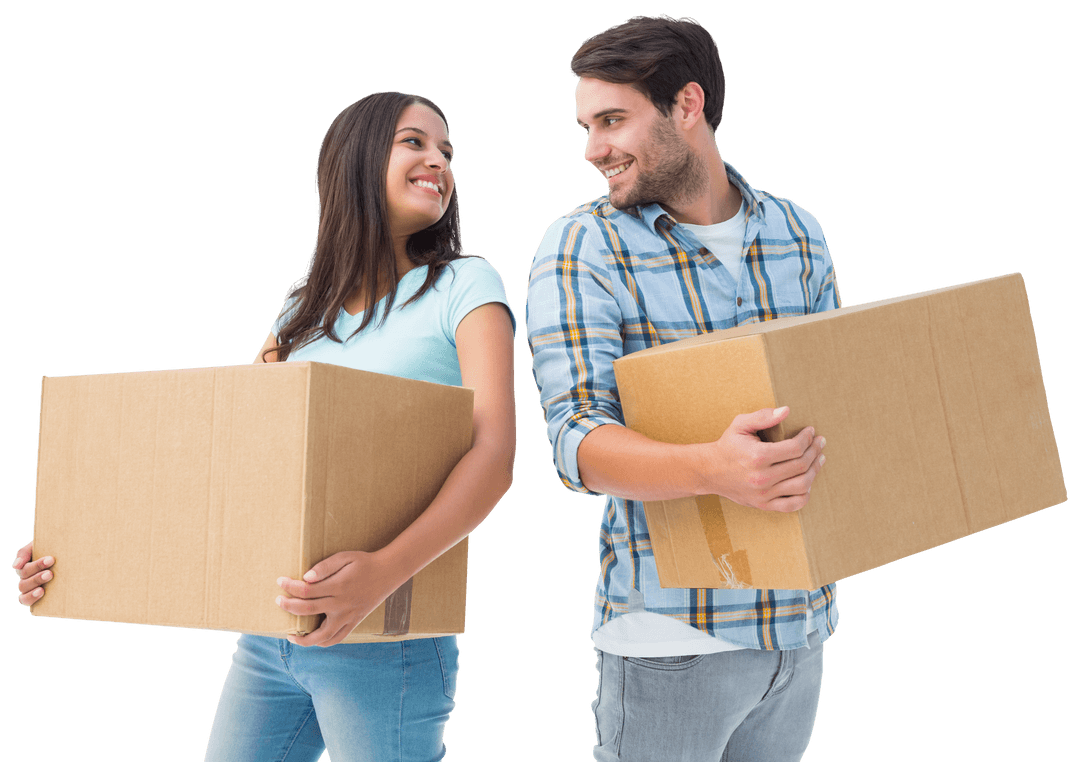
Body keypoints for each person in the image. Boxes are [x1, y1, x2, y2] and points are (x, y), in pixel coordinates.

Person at [15, 90, 517, 762]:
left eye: (447, 151)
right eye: (414, 142)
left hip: (383, 638)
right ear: (358, 162)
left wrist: (382, 573)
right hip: (270, 632)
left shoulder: (465, 286)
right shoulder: (299, 316)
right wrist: (72, 552)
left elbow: (493, 455)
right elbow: (221, 455)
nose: (439, 161)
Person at [526, 15, 838, 762]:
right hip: (671, 640)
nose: (593, 148)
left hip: (801, 633)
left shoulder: (798, 234)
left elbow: (835, 398)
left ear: (686, 105)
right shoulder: (584, 245)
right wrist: (714, 470)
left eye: (612, 120)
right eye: (587, 125)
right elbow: (576, 440)